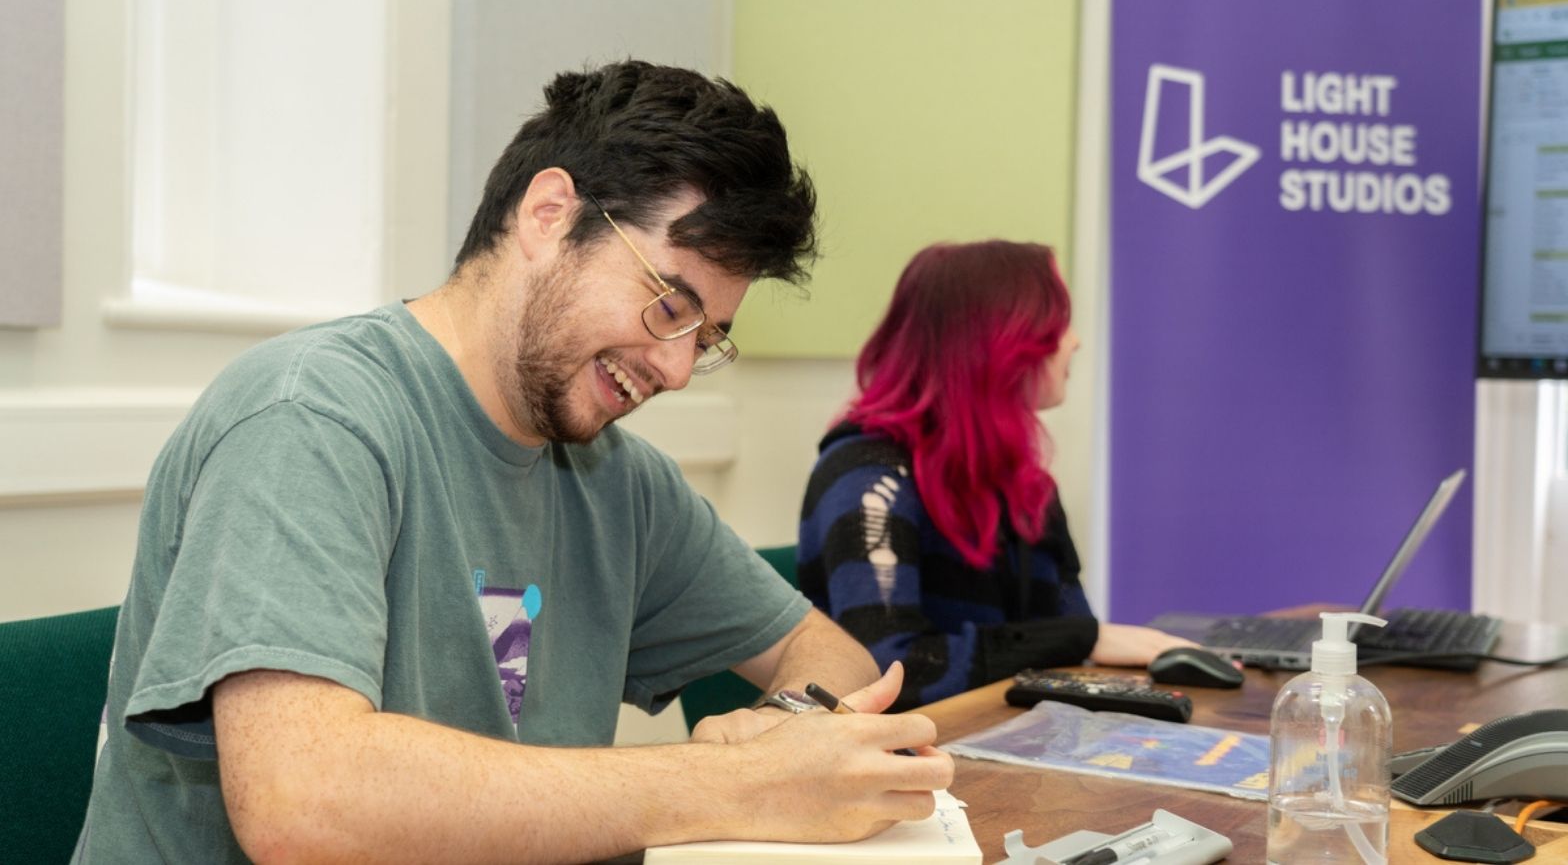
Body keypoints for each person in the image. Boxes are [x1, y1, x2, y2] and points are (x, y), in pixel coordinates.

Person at [74, 61, 952, 864]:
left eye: (706, 338)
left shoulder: (622, 483)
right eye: (669, 306)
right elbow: (301, 804)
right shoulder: (310, 416)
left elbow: (829, 656)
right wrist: (729, 783)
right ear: (549, 215)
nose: (678, 368)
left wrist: (782, 732)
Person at [797, 240, 1198, 711]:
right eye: (1057, 324)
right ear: (1002, 344)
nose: (1074, 341)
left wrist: (1082, 642)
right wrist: (1082, 638)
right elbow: (888, 671)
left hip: (1005, 737)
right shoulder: (869, 476)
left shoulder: (1027, 487)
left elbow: (1064, 648)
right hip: (911, 748)